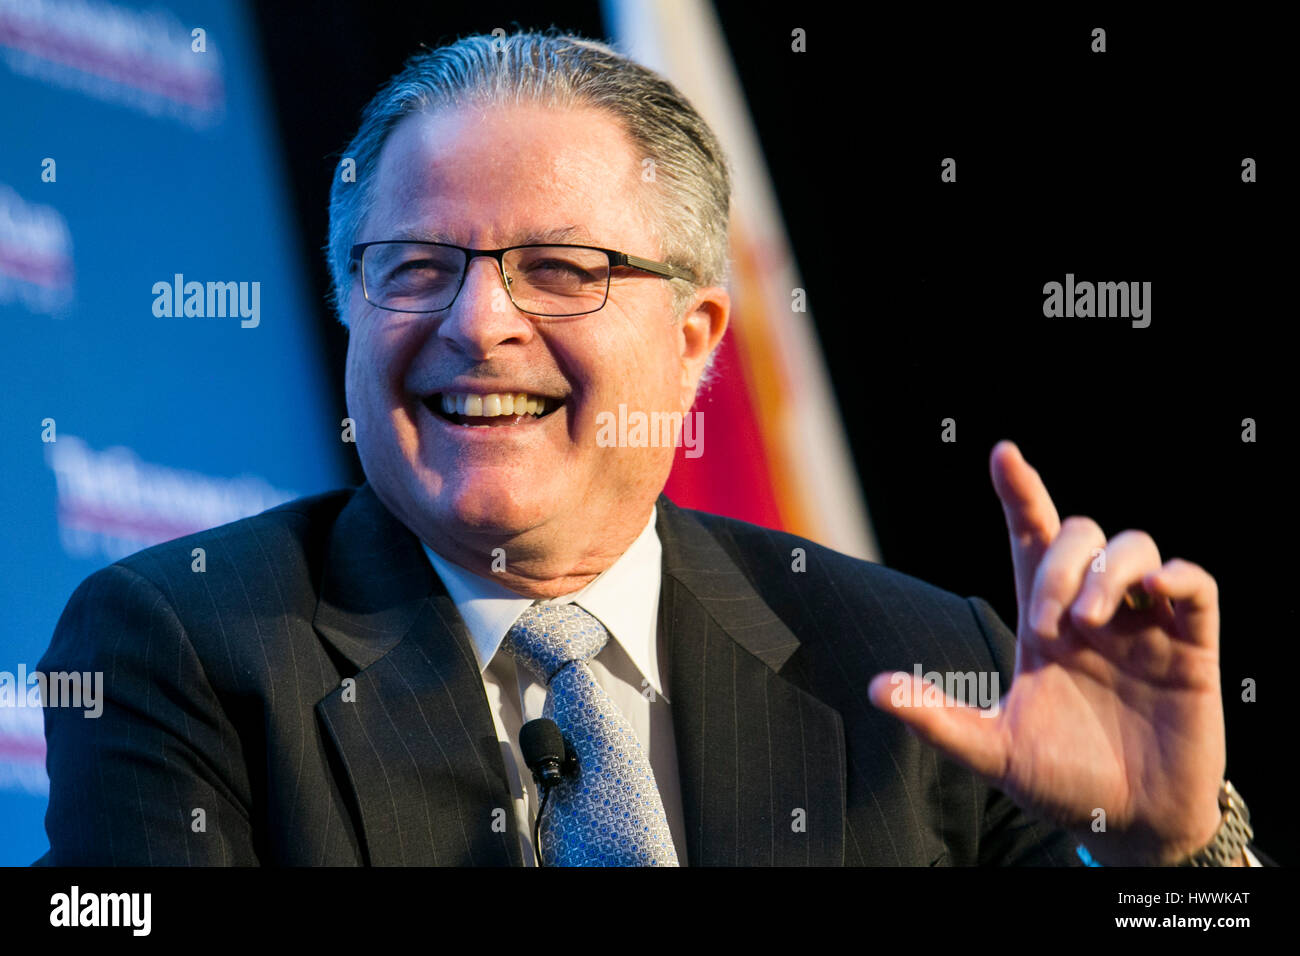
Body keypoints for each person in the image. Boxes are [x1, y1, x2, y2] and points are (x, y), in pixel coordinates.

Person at [36, 31, 1269, 866]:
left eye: (560, 269)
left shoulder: (920, 665)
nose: (479, 322)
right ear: (349, 302)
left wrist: (1168, 855)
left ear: (694, 339)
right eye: (414, 267)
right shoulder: (188, 644)